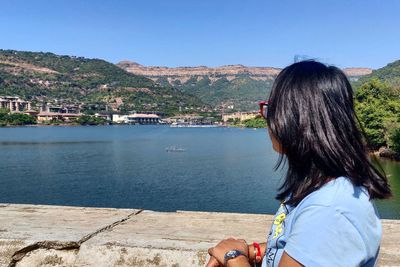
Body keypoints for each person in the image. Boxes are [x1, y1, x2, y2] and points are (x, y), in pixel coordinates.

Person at [206, 60, 392, 267]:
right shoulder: (320, 186)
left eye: (269, 110)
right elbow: (303, 242)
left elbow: (320, 231)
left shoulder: (329, 208)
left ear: (295, 118)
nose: (266, 119)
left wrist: (233, 256)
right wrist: (254, 251)